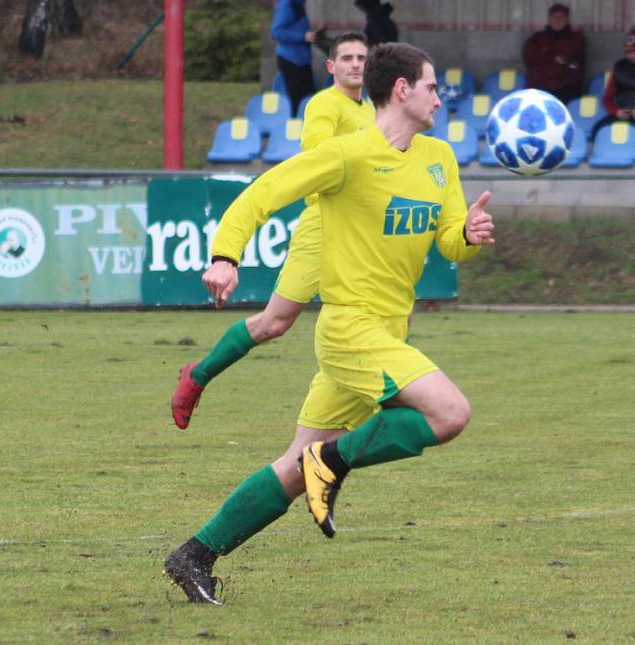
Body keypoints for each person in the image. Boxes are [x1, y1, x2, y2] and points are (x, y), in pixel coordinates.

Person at [164, 41, 495, 605]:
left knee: (293, 469)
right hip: (350, 331)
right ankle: (332, 462)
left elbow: (446, 239)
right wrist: (225, 255)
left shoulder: (439, 158)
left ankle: (194, 555)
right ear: (402, 90)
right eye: (433, 87)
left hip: (389, 333)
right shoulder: (348, 155)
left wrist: (466, 235)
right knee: (449, 413)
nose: (441, 97)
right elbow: (263, 192)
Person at [171, 32, 375, 430]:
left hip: (362, 232)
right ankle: (197, 377)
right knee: (274, 323)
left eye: (362, 58)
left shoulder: (372, 111)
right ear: (331, 66)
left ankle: (360, 414)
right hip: (326, 225)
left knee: (374, 318)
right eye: (347, 57)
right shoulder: (324, 105)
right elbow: (317, 165)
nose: (355, 64)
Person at [522, 3, 586, 104]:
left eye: (561, 16)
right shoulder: (537, 37)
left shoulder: (576, 37)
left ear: (568, 19)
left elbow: (568, 54)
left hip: (566, 87)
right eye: (554, 17)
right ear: (549, 19)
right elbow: (529, 56)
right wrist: (553, 56)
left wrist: (546, 52)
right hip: (540, 85)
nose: (558, 20)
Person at [271, 0, 317, 117]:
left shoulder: (298, 4)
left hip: (302, 59)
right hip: (291, 59)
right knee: (298, 101)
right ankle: (296, 132)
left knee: (308, 99)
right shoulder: (287, 4)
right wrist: (303, 36)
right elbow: (276, 32)